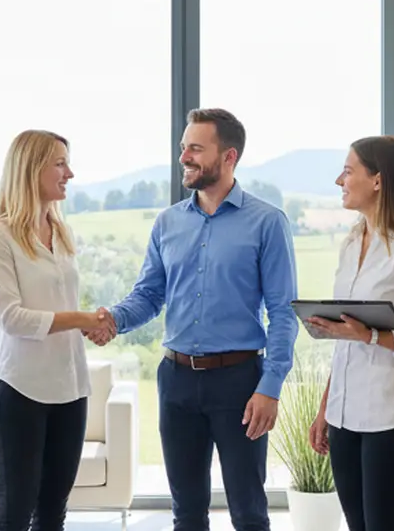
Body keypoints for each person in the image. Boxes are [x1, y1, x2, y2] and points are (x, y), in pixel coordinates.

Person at [89, 108, 298, 531]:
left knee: (249, 513)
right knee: (185, 513)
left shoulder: (267, 223)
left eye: (196, 149)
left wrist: (270, 387)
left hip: (240, 382)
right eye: (184, 147)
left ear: (228, 157)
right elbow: (149, 295)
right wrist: (112, 319)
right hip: (176, 380)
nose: (184, 156)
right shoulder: (168, 223)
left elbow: (282, 313)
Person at [304, 136, 394, 531]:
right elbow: (345, 335)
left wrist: (370, 336)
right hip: (346, 417)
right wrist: (325, 408)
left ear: (378, 180)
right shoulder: (351, 243)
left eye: (348, 171)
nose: (339, 181)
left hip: (393, 417)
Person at [0, 130, 113, 531]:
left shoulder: (61, 232)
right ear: (30, 168)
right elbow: (11, 317)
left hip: (71, 388)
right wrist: (82, 320)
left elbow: (61, 306)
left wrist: (91, 325)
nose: (69, 173)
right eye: (59, 163)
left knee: (54, 512)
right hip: (19, 391)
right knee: (17, 513)